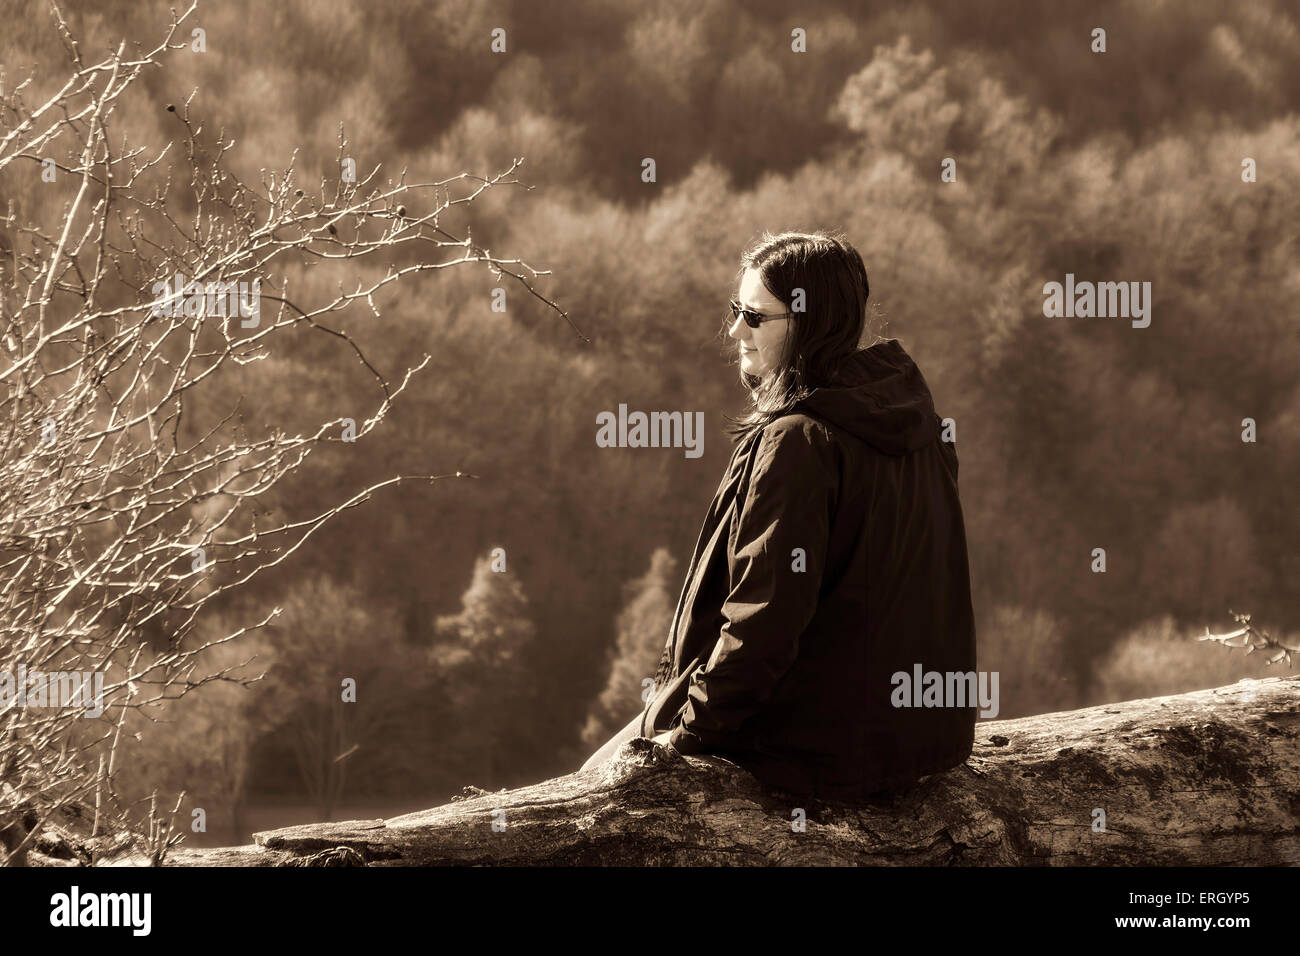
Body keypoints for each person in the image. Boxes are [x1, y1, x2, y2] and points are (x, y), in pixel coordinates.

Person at [580, 230, 977, 801]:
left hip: (815, 751)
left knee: (590, 791)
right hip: (918, 739)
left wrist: (685, 737)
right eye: (735, 311)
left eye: (755, 316)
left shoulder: (800, 442)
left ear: (809, 324)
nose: (737, 331)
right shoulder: (922, 427)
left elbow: (762, 620)